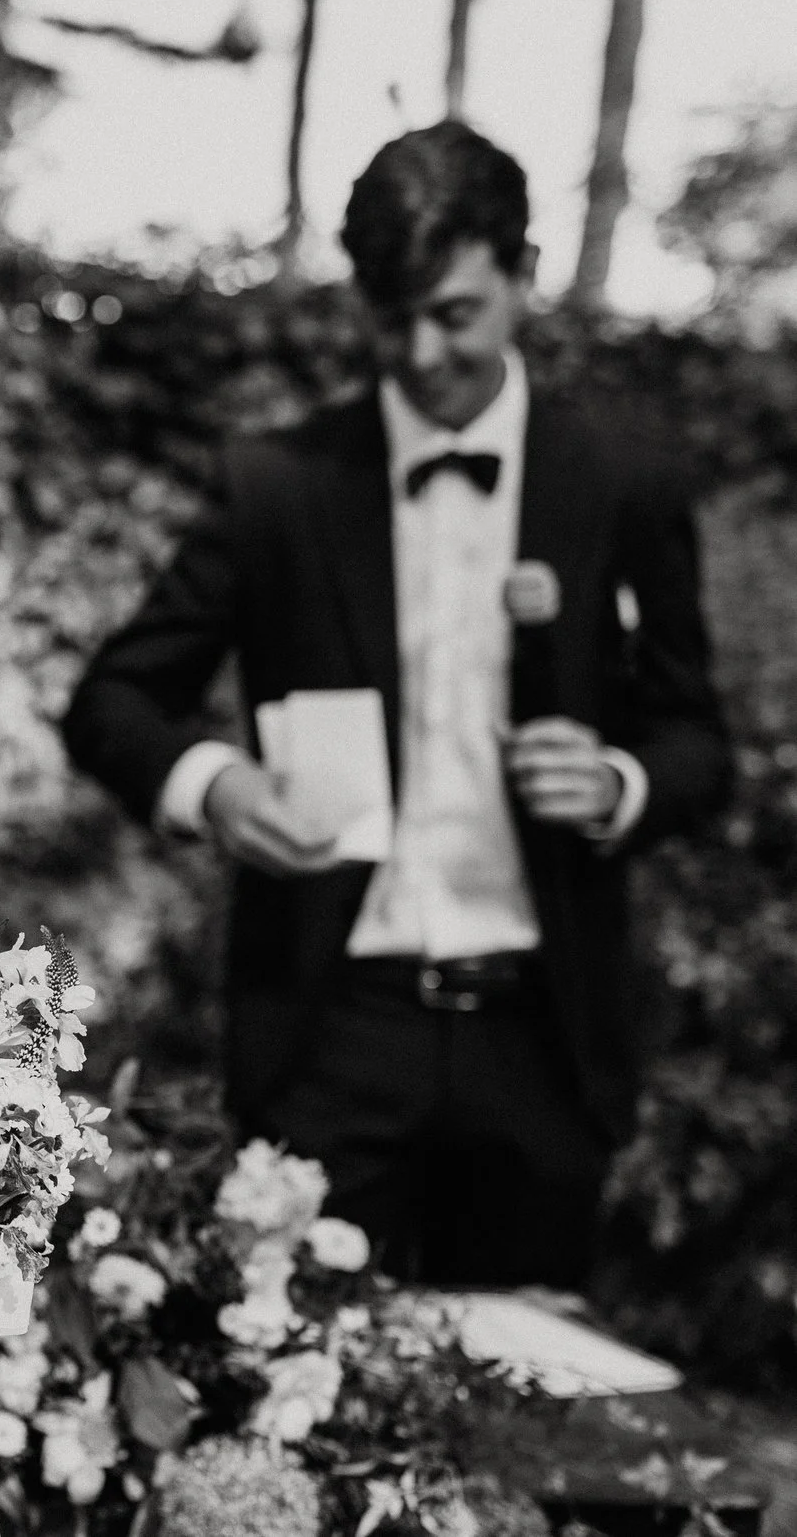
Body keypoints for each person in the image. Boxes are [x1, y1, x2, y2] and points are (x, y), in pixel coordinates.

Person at [62, 120, 730, 1288]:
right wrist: (212, 783)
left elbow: (696, 742)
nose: (421, 352)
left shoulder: (626, 478)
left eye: (455, 312)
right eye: (391, 316)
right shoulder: (276, 485)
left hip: (542, 1032)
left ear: (523, 278)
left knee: (520, 1414)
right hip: (330, 1029)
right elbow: (113, 699)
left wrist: (619, 781)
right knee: (306, 1401)